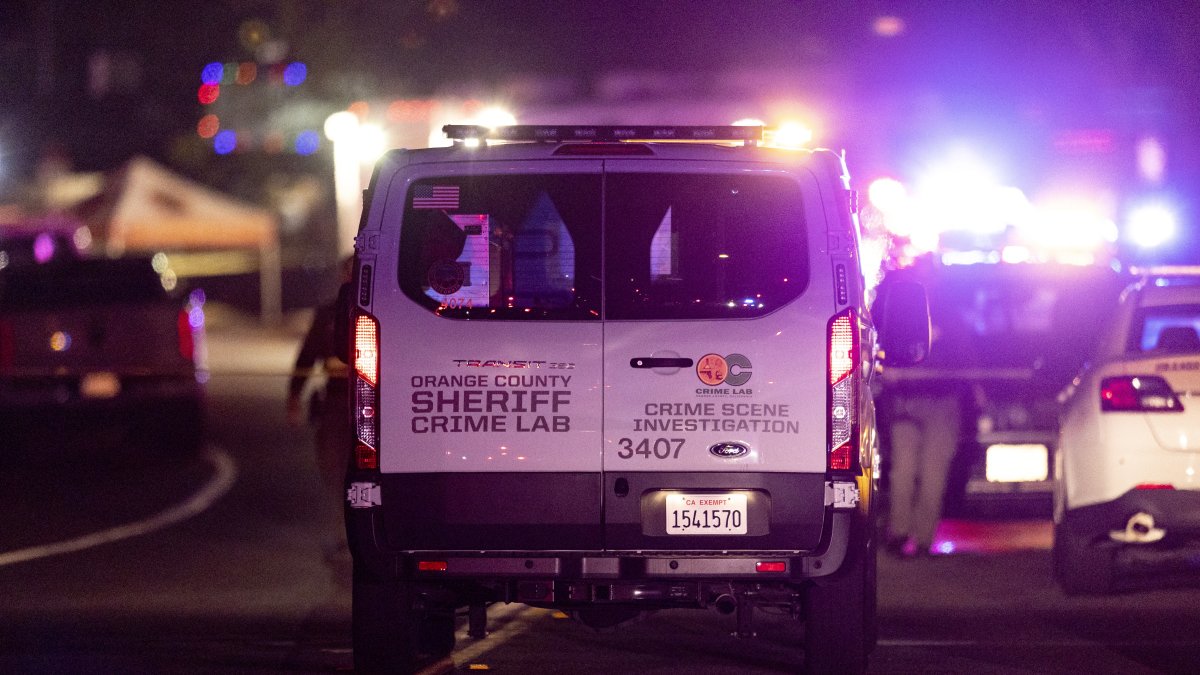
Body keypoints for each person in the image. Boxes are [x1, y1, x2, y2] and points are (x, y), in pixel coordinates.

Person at [287, 257, 354, 555]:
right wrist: (294, 397)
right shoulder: (329, 313)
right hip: (336, 401)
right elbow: (307, 356)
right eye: (348, 271)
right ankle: (346, 531)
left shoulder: (385, 309)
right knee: (332, 465)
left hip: (374, 404)